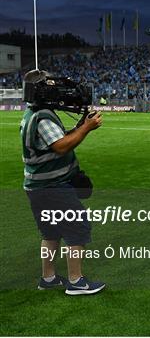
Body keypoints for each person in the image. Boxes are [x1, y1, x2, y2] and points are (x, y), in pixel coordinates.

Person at [21, 70, 105, 295]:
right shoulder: (43, 116)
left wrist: (79, 127)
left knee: (50, 232)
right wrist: (86, 128)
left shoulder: (33, 113)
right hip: (52, 187)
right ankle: (76, 282)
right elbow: (60, 146)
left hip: (38, 187)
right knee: (77, 227)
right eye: (49, 86)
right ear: (39, 91)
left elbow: (56, 140)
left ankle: (48, 278)